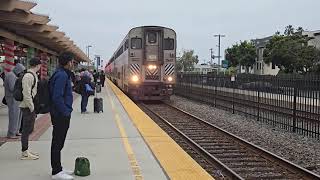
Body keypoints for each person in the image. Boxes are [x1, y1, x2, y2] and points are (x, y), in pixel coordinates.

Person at [49, 52, 74, 180]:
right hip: (60, 114)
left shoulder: (61, 73)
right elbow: (57, 96)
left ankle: (59, 168)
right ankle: (56, 172)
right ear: (68, 62)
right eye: (72, 61)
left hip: (60, 113)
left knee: (59, 142)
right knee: (57, 142)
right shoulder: (62, 75)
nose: (73, 63)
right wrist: (65, 111)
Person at [20, 58, 42, 160]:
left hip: (28, 106)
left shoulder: (32, 75)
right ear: (37, 65)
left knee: (29, 129)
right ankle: (25, 152)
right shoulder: (29, 76)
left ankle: (26, 150)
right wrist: (31, 107)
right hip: (27, 106)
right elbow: (26, 93)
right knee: (26, 129)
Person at [4, 63, 25, 139]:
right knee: (14, 115)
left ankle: (16, 131)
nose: (21, 73)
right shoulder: (11, 76)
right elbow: (12, 88)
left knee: (18, 115)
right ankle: (11, 133)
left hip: (16, 99)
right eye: (21, 71)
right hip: (12, 99)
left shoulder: (14, 75)